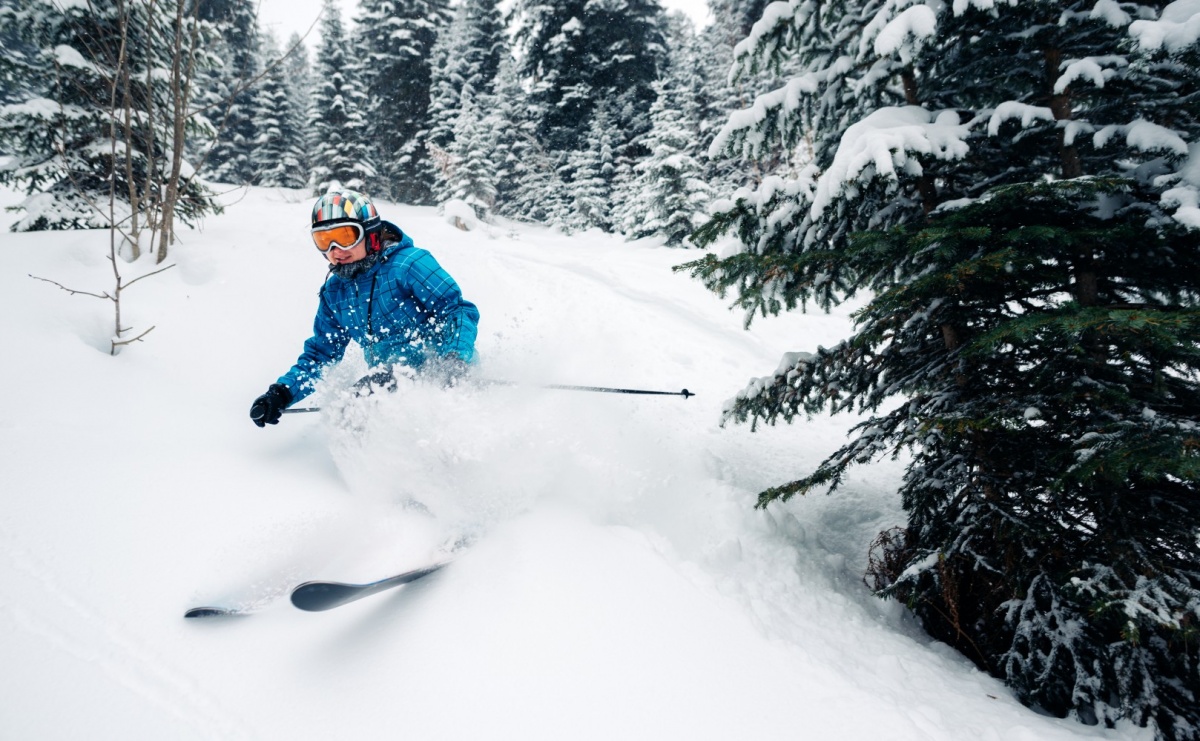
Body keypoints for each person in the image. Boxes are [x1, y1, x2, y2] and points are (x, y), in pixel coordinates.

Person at [250, 189, 480, 428]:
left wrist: (454, 359)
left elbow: (457, 310)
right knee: (353, 408)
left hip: (444, 370)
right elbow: (321, 355)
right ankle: (378, 452)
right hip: (391, 382)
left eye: (345, 236)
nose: (335, 249)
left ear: (370, 233)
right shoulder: (334, 293)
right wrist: (281, 394)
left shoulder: (408, 264)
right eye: (324, 241)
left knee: (360, 399)